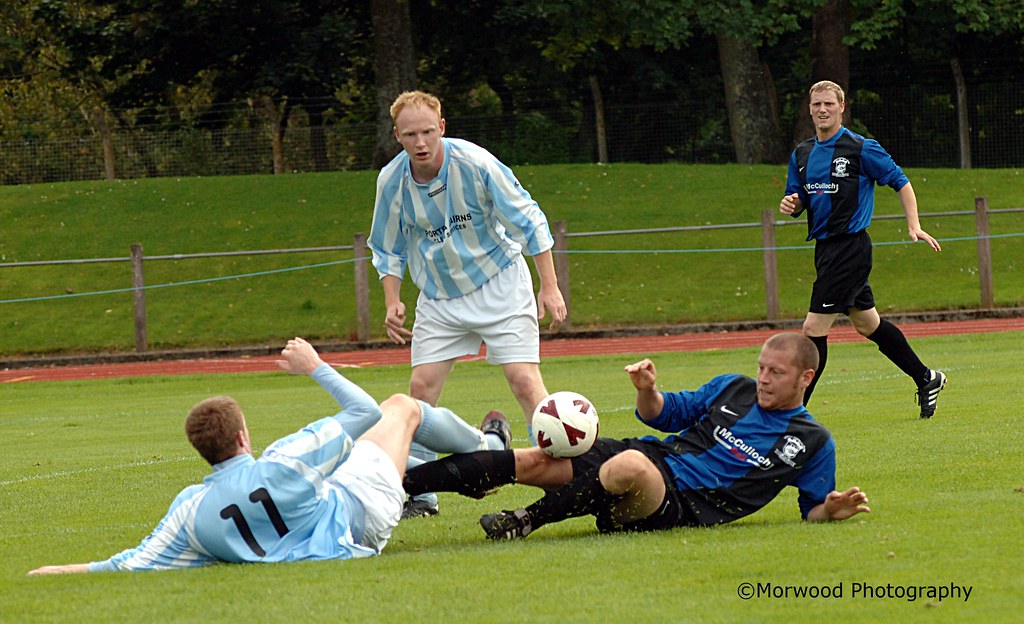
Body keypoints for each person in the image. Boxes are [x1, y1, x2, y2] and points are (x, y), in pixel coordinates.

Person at [27, 337, 509, 575]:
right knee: (400, 408)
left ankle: (430, 484)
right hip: (360, 516)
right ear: (242, 436)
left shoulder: (191, 509)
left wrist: (59, 571)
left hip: (336, 530)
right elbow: (362, 411)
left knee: (359, 452)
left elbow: (128, 563)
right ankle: (491, 447)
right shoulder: (284, 459)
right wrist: (316, 366)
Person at [401, 333, 871, 540]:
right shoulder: (735, 387)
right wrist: (647, 390)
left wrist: (830, 510)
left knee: (627, 467)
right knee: (535, 459)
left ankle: (523, 521)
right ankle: (400, 485)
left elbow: (811, 510)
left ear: (805, 378)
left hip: (682, 506)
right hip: (655, 458)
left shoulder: (812, 440)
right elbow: (661, 413)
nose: (764, 379)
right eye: (762, 368)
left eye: (777, 373)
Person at [368, 90, 566, 517]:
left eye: (426, 132)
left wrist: (548, 286)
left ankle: (564, 478)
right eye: (409, 134)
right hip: (439, 297)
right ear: (397, 136)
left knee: (524, 381)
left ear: (441, 128)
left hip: (500, 283)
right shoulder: (391, 181)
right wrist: (391, 300)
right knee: (420, 392)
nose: (419, 142)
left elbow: (530, 219)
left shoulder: (476, 163)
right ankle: (420, 495)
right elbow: (386, 247)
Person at [780, 80, 947, 418]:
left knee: (813, 330)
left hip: (851, 248)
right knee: (867, 324)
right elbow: (799, 199)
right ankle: (926, 377)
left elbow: (901, 181)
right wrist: (793, 203)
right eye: (817, 105)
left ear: (842, 107)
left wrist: (914, 225)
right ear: (809, 109)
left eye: (829, 104)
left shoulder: (860, 147)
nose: (823, 110)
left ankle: (790, 417)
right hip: (825, 250)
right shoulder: (802, 153)